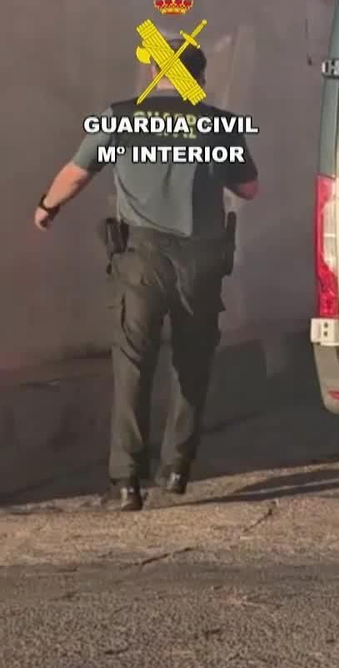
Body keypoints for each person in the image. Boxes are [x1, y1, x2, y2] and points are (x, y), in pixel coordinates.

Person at [32, 39, 258, 511]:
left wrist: (47, 207)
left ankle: (127, 482)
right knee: (193, 365)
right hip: (200, 262)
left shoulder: (118, 118)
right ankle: (176, 468)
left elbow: (77, 173)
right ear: (197, 78)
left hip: (141, 261)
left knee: (133, 366)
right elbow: (249, 188)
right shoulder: (216, 123)